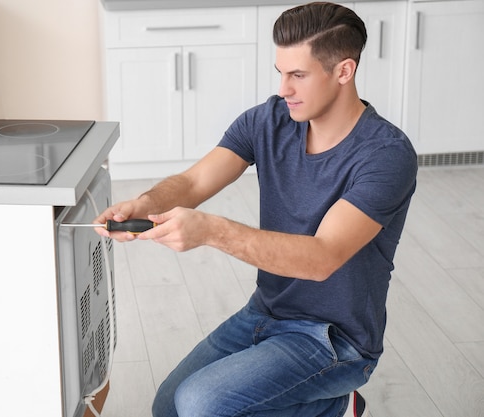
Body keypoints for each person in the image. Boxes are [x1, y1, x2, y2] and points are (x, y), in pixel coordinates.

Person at [94, 2, 418, 416]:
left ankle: (336, 406)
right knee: (168, 408)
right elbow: (194, 182)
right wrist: (144, 204)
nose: (284, 88)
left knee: (200, 405)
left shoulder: (385, 154)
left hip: (334, 339)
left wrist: (211, 231)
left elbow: (322, 257)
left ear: (343, 71)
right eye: (281, 72)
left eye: (298, 75)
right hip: (265, 314)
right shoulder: (269, 121)